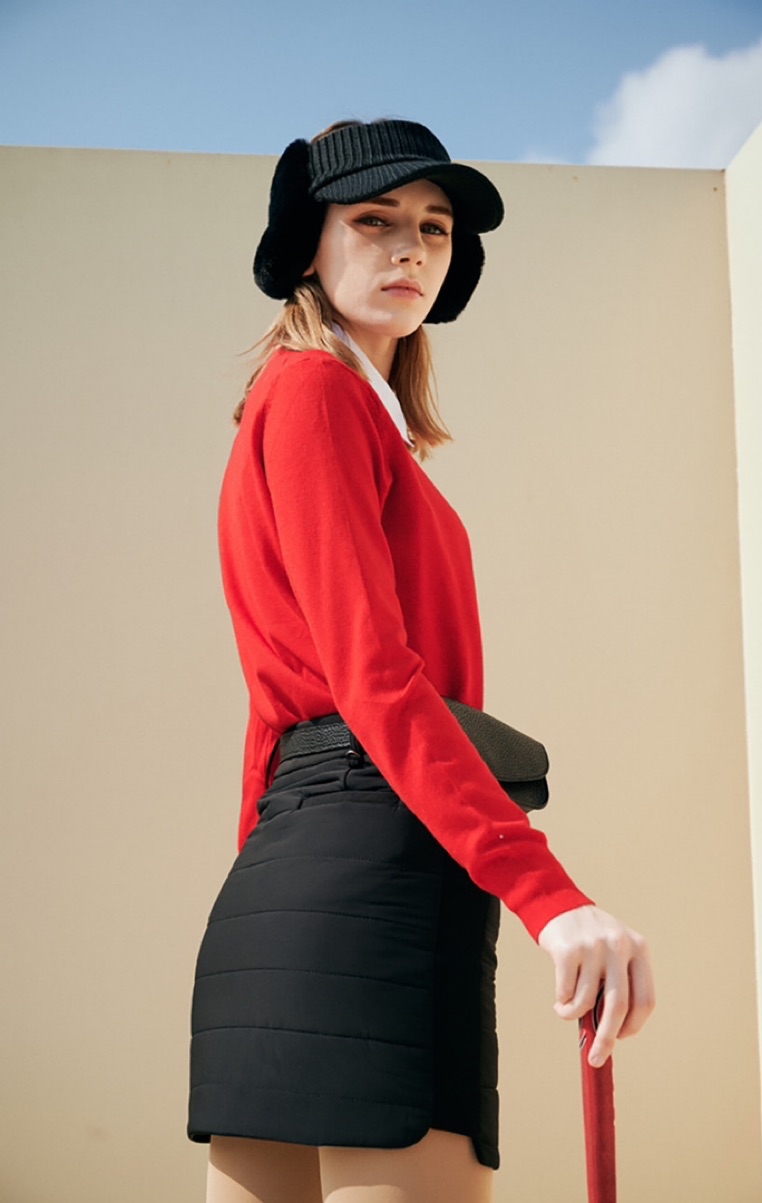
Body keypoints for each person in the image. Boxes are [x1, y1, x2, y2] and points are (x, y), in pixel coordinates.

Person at [188, 119, 654, 1203]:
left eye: (434, 229)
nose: (409, 248)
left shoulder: (337, 409)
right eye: (374, 220)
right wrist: (548, 895)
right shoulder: (317, 392)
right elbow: (374, 680)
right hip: (379, 866)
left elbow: (276, 716)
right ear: (308, 245)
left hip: (286, 885)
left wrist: (265, 879)